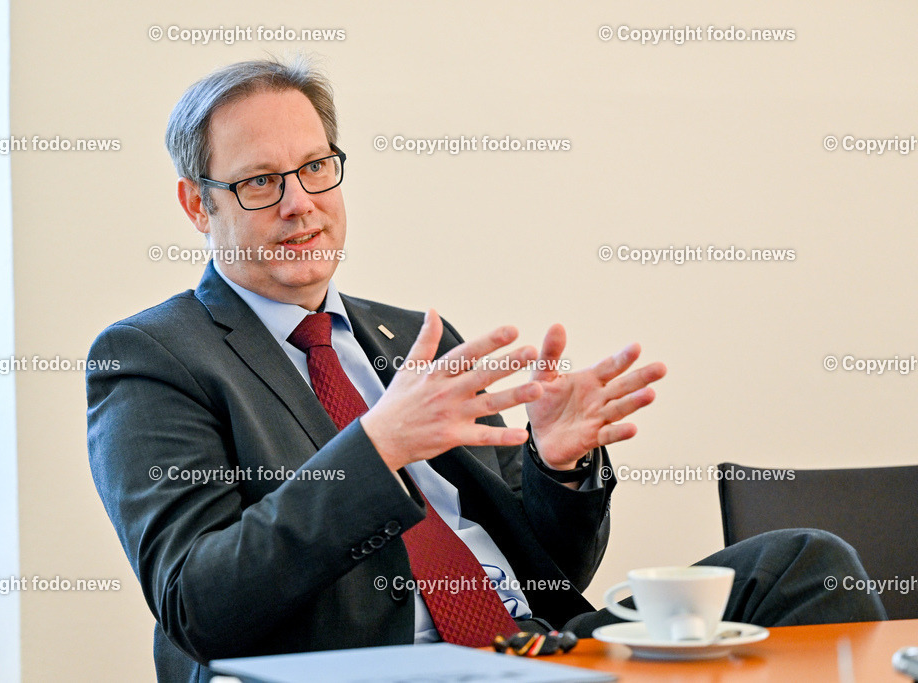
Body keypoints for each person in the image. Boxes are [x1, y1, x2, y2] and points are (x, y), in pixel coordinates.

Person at [86, 56, 885, 682]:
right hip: (377, 670)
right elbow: (199, 602)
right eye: (261, 181)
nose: (302, 204)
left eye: (317, 167)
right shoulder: (156, 356)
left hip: (534, 651)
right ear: (198, 205)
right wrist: (376, 448)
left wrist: (554, 466)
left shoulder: (410, 339)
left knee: (803, 562)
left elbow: (545, 572)